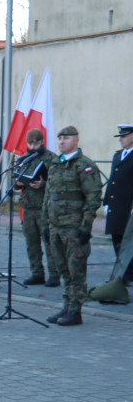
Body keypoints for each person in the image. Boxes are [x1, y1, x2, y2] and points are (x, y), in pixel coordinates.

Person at [43, 125, 103, 326]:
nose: (61, 142)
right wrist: (46, 223)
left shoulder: (85, 165)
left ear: (76, 140)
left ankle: (76, 311)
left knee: (76, 270)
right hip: (56, 227)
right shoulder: (55, 164)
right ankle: (67, 306)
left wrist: (86, 226)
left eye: (66, 138)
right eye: (60, 138)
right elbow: (48, 196)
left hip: (74, 228)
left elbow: (93, 197)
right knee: (63, 270)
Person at [14, 129, 59, 286]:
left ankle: (54, 274)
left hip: (44, 208)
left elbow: (58, 183)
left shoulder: (51, 158)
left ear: (42, 142)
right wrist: (18, 183)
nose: (33, 146)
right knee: (31, 243)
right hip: (28, 207)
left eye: (36, 143)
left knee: (49, 242)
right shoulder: (24, 159)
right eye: (30, 143)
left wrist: (43, 184)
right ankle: (37, 273)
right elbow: (15, 179)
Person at [104, 124, 133, 285]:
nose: (120, 140)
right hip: (116, 205)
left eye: (124, 136)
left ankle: (129, 274)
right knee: (117, 237)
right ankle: (123, 271)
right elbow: (112, 180)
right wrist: (107, 201)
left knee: (128, 240)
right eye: (120, 137)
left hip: (129, 205)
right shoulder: (118, 155)